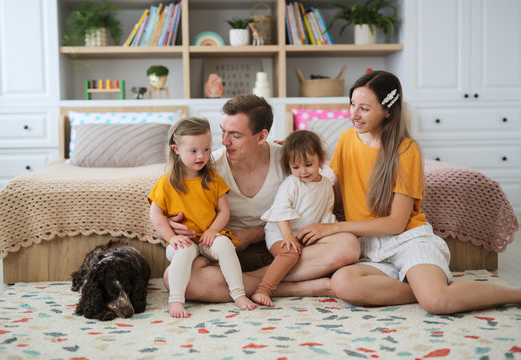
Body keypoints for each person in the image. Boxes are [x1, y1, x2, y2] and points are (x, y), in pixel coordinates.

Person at [298, 70, 521, 314]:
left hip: (407, 240)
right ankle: (422, 289)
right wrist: (301, 179)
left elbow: (396, 224)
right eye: (352, 104)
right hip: (368, 247)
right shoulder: (346, 139)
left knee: (438, 302)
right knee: (343, 284)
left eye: (364, 108)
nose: (354, 114)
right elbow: (336, 196)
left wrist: (334, 228)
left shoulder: (406, 150)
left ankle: (513, 294)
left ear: (387, 111)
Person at [165, 94, 359, 302]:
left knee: (348, 246)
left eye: (235, 135)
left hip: (286, 244)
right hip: (233, 254)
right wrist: (170, 223)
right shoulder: (207, 166)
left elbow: (319, 190)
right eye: (223, 132)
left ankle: (254, 284)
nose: (224, 141)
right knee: (175, 279)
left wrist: (254, 234)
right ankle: (295, 287)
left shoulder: (289, 160)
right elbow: (171, 194)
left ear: (261, 136)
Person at [149, 117, 256, 318]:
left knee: (225, 245)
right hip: (183, 240)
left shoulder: (213, 179)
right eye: (194, 151)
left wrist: (213, 230)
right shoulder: (167, 182)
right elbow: (155, 214)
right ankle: (176, 300)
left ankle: (239, 294)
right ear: (176, 150)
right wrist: (171, 238)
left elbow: (224, 211)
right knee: (182, 252)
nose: (202, 156)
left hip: (208, 237)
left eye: (206, 149)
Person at [252, 130, 359, 307]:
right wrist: (287, 237)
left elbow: (326, 214)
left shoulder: (325, 185)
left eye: (308, 164)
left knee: (337, 249)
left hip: (303, 234)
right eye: (296, 167)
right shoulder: (292, 184)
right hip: (280, 232)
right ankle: (264, 288)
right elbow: (280, 212)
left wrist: (329, 234)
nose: (303, 172)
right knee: (290, 253)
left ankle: (296, 280)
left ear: (321, 159)